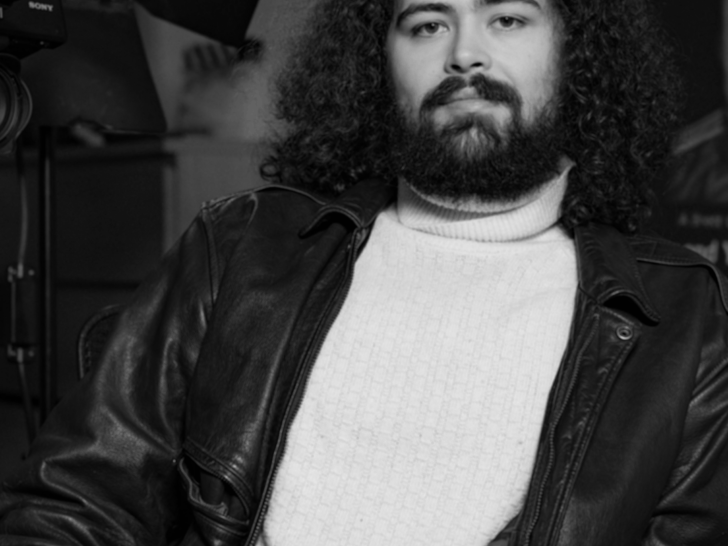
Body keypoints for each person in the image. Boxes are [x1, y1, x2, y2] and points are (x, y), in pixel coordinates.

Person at [1, 0, 727, 544]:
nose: (464, 55)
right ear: (376, 66)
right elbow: (76, 501)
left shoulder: (681, 318)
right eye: (426, 24)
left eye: (508, 19)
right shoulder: (242, 247)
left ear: (576, 56)